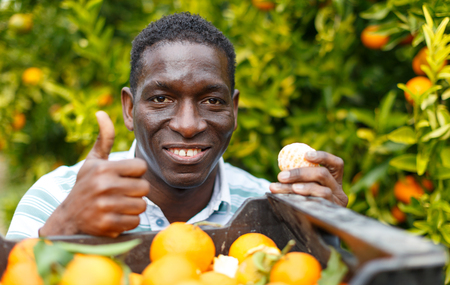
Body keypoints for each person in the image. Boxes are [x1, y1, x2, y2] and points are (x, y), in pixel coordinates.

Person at [6, 12, 347, 240]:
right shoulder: (56, 198)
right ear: (129, 108)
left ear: (234, 108)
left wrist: (329, 233)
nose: (188, 125)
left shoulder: (274, 212)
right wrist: (64, 228)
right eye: (160, 99)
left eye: (212, 101)